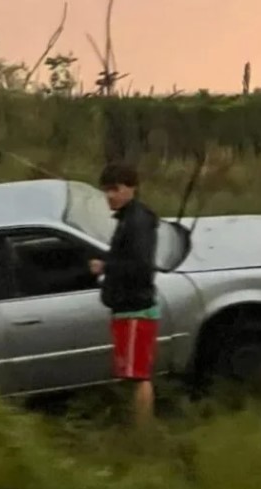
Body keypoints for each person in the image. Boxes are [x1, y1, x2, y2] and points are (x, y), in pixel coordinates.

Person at [89, 162, 160, 428]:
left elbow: (141, 267)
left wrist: (107, 266)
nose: (109, 195)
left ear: (132, 188)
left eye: (115, 189)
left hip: (136, 309)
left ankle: (144, 433)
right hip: (127, 309)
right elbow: (127, 256)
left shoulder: (137, 222)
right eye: (105, 190)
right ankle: (140, 427)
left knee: (138, 377)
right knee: (132, 375)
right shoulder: (127, 219)